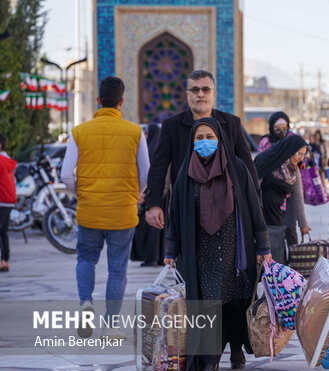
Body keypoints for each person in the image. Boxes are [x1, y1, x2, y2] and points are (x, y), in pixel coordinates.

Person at [164, 117, 271, 371]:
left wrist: (263, 245)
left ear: (220, 139)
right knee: (208, 303)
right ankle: (209, 360)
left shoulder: (236, 168)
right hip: (200, 251)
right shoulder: (186, 173)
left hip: (235, 248)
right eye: (198, 138)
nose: (204, 143)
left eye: (209, 137)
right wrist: (170, 249)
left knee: (235, 301)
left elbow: (254, 208)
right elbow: (175, 213)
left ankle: (236, 350)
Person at [60, 76, 149, 339]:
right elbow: (145, 173)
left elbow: (66, 174)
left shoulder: (79, 132)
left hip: (89, 210)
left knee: (86, 259)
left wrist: (82, 193)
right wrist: (136, 195)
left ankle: (86, 302)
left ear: (98, 100)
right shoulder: (135, 132)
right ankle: (111, 325)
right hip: (122, 212)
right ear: (122, 102)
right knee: (117, 269)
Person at [145, 70, 259, 231]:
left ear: (213, 94)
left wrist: (255, 203)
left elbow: (247, 167)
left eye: (206, 90)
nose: (200, 94)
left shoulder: (231, 124)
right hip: (185, 207)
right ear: (187, 95)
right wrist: (154, 204)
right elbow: (158, 167)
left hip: (227, 208)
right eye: (195, 90)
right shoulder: (172, 126)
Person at [254, 135, 309, 229]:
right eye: (299, 154)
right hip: (260, 215)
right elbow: (254, 190)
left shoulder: (293, 170)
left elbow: (298, 196)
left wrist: (303, 225)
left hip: (277, 213)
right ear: (290, 150)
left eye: (303, 155)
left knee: (278, 238)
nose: (301, 159)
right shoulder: (266, 161)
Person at [131, 123, 165, 266]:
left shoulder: (150, 152)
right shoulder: (159, 150)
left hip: (149, 196)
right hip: (160, 196)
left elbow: (147, 175)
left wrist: (142, 194)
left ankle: (151, 257)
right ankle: (158, 256)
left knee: (150, 229)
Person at [0, 133, 16, 272]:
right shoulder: (7, 159)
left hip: (2, 199)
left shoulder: (1, 160)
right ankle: (5, 261)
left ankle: (3, 261)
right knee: (3, 232)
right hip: (9, 199)